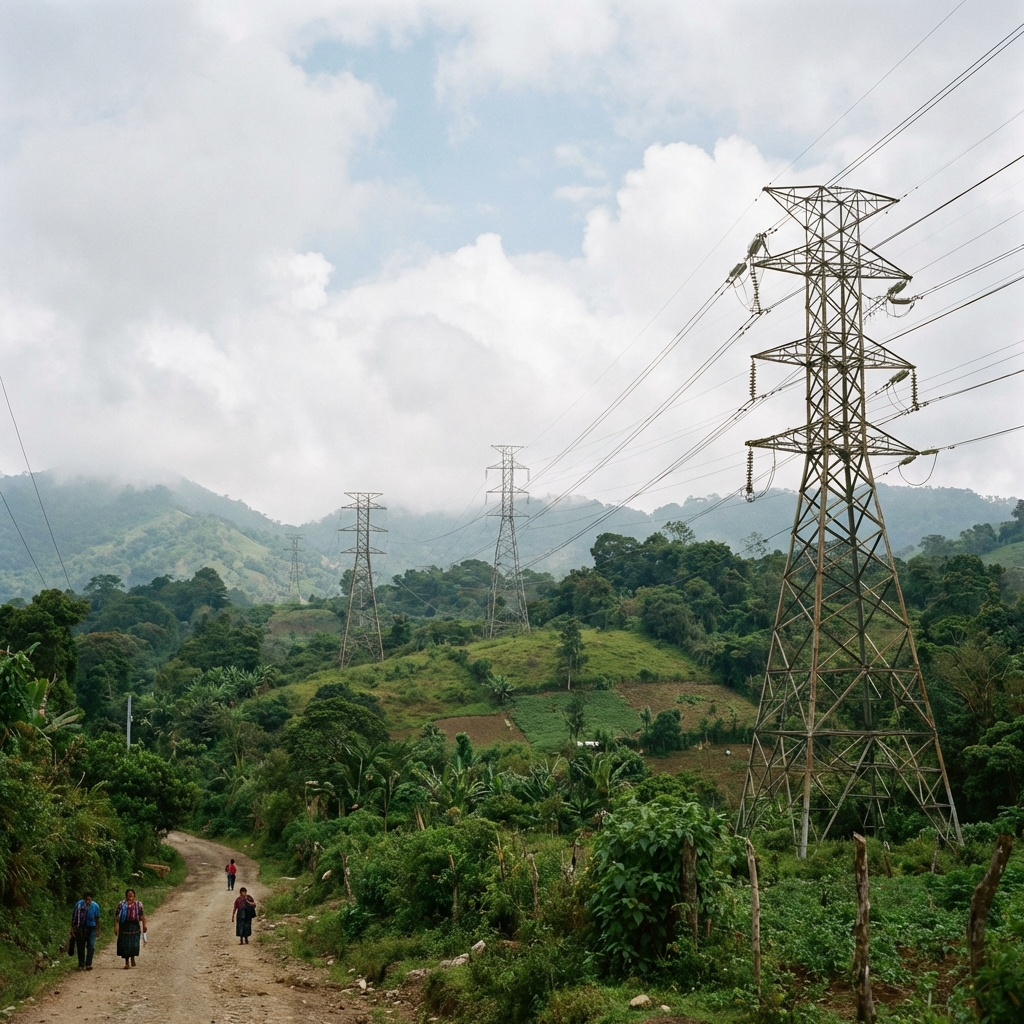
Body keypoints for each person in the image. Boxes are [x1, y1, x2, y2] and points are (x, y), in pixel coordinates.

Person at [114, 888, 147, 968]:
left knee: (134, 944)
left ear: (134, 896)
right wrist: (116, 926)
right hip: (124, 926)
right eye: (129, 894)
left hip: (135, 926)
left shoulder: (138, 904)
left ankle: (132, 957)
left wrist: (144, 925)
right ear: (126, 896)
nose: (130, 895)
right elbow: (116, 916)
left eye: (132, 894)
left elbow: (142, 915)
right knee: (125, 945)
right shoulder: (121, 904)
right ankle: (127, 962)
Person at [70, 892, 100, 971]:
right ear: (84, 899)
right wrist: (73, 928)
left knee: (91, 946)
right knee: (80, 946)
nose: (88, 901)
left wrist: (97, 929)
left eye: (89, 899)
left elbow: (97, 918)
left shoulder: (95, 906)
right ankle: (81, 964)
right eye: (86, 899)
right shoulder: (79, 905)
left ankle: (88, 964)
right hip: (81, 928)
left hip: (91, 928)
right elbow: (74, 917)